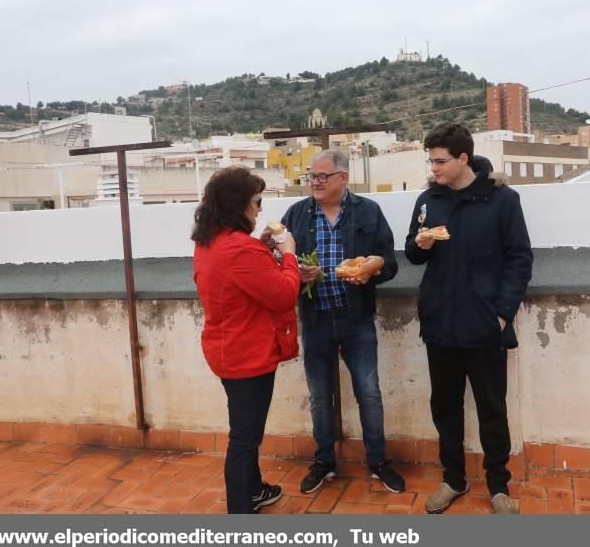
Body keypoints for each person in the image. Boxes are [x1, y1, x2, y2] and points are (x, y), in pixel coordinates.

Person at [404, 123, 533, 514]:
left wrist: (500, 314)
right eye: (431, 160)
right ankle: (453, 479)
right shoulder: (429, 200)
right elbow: (413, 253)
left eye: (440, 161)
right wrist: (420, 243)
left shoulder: (502, 200)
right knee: (444, 406)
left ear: (463, 158)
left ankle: (498, 486)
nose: (434, 168)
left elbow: (519, 259)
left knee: (492, 406)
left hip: (483, 324)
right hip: (440, 323)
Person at [281, 149, 406, 494]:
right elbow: (278, 260)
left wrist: (370, 272)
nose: (316, 183)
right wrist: (297, 274)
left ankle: (378, 462)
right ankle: (324, 462)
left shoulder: (368, 211)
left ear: (343, 178)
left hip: (357, 319)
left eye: (323, 176)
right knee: (320, 398)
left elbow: (390, 262)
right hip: (316, 319)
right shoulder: (296, 214)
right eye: (312, 176)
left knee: (369, 394)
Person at [192, 167, 301, 514]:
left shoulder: (212, 241)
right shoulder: (239, 250)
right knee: (244, 438)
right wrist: (289, 253)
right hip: (246, 354)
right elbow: (283, 295)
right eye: (257, 201)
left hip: (228, 348)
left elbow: (242, 273)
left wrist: (261, 248)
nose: (260, 209)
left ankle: (254, 490)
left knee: (246, 428)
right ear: (238, 204)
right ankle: (240, 509)